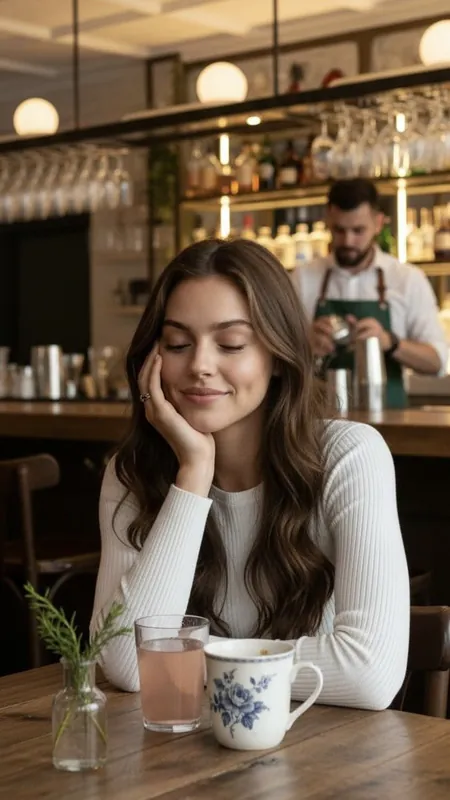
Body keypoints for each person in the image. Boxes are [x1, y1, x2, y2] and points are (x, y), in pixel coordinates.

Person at [91, 238, 409, 709]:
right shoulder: (132, 472)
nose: (199, 365)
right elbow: (123, 661)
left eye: (231, 344)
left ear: (277, 356)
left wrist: (186, 658)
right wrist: (194, 472)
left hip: (327, 756)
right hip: (185, 758)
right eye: (177, 343)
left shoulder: (350, 457)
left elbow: (370, 675)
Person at [292, 179, 448, 408]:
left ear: (378, 223)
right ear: (328, 221)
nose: (348, 241)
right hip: (319, 422)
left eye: (358, 230)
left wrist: (390, 342)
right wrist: (306, 345)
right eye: (339, 230)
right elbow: (272, 358)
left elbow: (436, 363)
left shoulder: (408, 279)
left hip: (390, 422)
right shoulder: (303, 278)